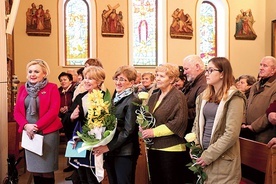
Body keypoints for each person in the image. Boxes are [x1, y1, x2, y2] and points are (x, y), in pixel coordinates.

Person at [192, 57, 246, 183]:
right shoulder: (203, 97)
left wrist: (209, 155)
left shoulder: (234, 98)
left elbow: (231, 134)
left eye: (211, 70)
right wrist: (194, 147)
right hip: (203, 155)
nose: (206, 73)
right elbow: (196, 125)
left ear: (222, 73)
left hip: (222, 158)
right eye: (206, 70)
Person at [14, 59, 62, 184]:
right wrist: (26, 126)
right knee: (34, 169)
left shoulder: (52, 87)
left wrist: (35, 126)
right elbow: (17, 112)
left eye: (36, 71)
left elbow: (53, 111)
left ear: (44, 73)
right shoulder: (22, 89)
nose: (32, 74)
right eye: (30, 71)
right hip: (29, 133)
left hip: (47, 134)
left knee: (46, 170)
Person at [139, 63, 188, 184]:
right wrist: (142, 124)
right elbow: (148, 116)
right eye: (156, 75)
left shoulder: (178, 96)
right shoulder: (154, 96)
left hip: (171, 149)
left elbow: (179, 122)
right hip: (154, 146)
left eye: (161, 76)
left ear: (171, 79)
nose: (157, 79)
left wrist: (153, 132)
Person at [93, 65, 141, 184]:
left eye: (123, 80)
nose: (118, 82)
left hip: (125, 151)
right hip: (112, 150)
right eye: (116, 78)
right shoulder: (114, 97)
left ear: (131, 82)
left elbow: (128, 131)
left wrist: (108, 147)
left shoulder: (133, 100)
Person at [63, 66, 106, 184]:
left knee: (92, 177)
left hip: (96, 142)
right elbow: (67, 118)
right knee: (81, 176)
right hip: (80, 141)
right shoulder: (80, 97)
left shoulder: (105, 97)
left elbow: (109, 122)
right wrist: (72, 117)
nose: (86, 81)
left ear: (100, 81)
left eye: (91, 78)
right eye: (85, 78)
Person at [241, 56, 276, 143]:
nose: (261, 68)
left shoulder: (274, 87)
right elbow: (246, 105)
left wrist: (253, 127)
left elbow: (270, 112)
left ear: (273, 70)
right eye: (260, 65)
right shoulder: (255, 86)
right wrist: (243, 123)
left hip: (264, 135)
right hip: (247, 132)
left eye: (265, 66)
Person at [182, 55, 207, 134]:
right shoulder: (194, 81)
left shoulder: (204, 84)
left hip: (195, 129)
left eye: (186, 69)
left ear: (197, 67)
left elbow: (200, 109)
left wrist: (179, 113)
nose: (184, 72)